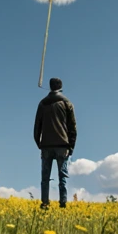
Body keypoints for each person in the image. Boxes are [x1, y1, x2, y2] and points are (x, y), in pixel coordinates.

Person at [34, 77, 76, 208]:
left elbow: (36, 127)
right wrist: (71, 146)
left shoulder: (42, 103)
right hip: (62, 145)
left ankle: (45, 203)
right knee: (62, 177)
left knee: (45, 178)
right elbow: (72, 127)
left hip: (46, 145)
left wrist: (39, 144)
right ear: (61, 87)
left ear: (50, 87)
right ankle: (63, 203)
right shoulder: (67, 103)